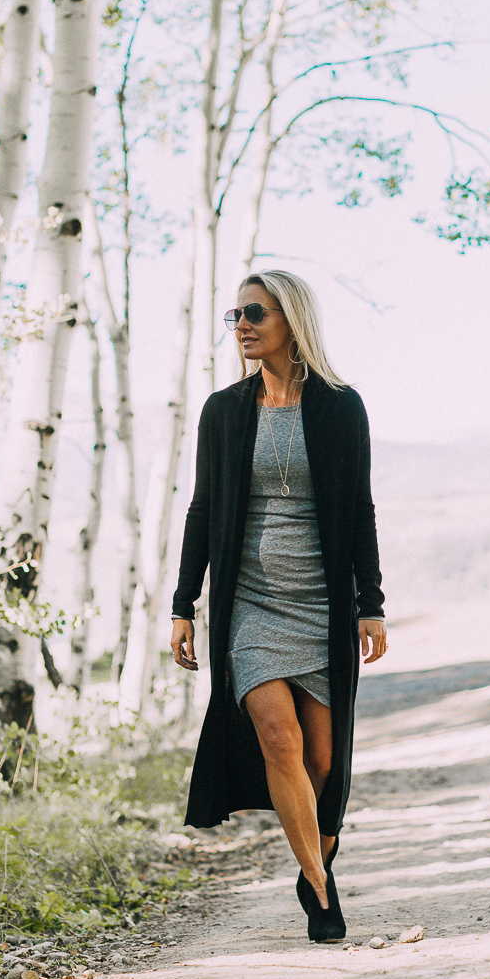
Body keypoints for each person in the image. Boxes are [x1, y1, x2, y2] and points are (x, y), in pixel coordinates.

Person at [170, 270, 387, 941]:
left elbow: (359, 510)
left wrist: (370, 602)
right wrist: (185, 604)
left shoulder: (340, 407)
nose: (242, 323)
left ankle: (314, 857)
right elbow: (204, 510)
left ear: (291, 320)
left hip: (322, 605)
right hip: (252, 606)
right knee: (278, 737)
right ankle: (321, 889)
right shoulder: (223, 411)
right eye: (235, 313)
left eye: (255, 312)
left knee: (323, 762)